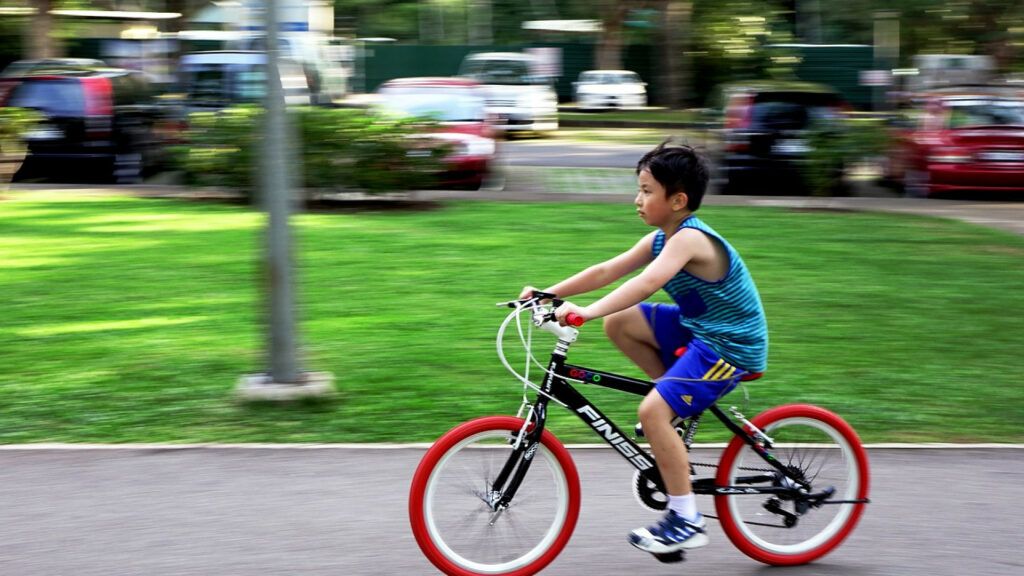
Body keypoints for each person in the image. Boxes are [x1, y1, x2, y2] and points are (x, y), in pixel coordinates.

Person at [519, 140, 768, 556]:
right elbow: (607, 270)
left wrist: (586, 313)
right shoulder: (660, 238)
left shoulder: (690, 240)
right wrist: (546, 293)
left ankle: (686, 518)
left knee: (650, 409)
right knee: (621, 323)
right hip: (699, 329)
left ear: (678, 200)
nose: (637, 199)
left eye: (647, 191)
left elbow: (646, 284)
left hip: (730, 346)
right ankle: (670, 406)